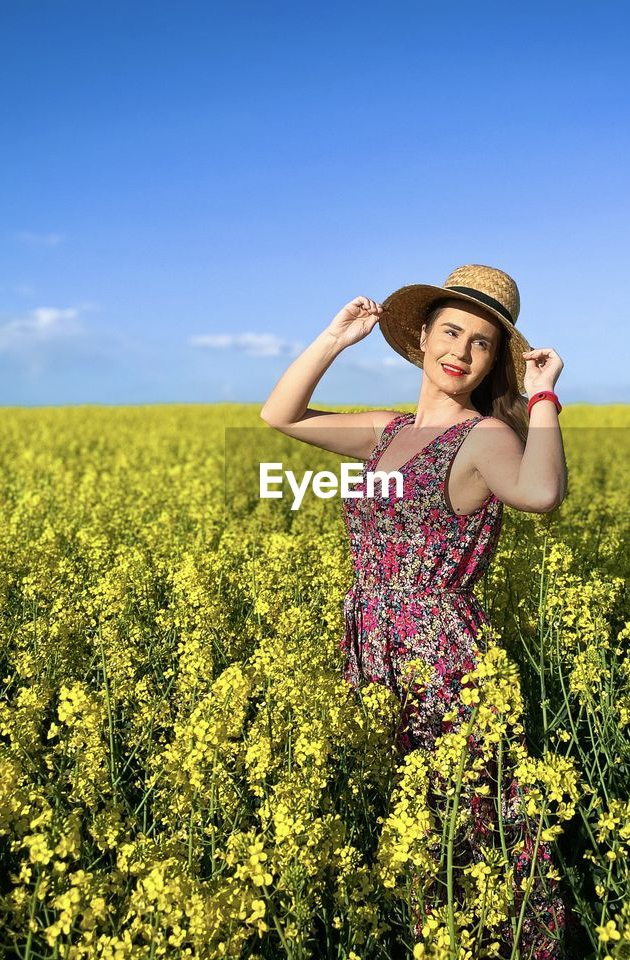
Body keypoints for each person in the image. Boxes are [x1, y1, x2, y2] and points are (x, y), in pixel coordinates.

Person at [260, 263, 568, 957]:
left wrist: (543, 396)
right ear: (423, 336)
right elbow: (280, 415)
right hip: (369, 642)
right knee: (396, 820)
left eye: (482, 343)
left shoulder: (484, 436)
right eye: (450, 331)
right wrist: (335, 339)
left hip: (442, 654)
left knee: (459, 822)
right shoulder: (384, 431)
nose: (460, 351)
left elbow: (542, 494)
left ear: (495, 361)